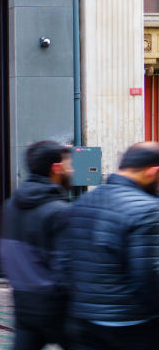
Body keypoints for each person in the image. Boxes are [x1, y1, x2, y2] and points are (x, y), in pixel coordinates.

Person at [63, 142, 159, 349]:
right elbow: (147, 277)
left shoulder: (82, 202)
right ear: (153, 171)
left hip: (83, 321)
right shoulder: (148, 209)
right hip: (130, 323)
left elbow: (63, 262)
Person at [0, 140, 72, 350]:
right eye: (68, 164)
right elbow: (66, 267)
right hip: (58, 308)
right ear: (55, 168)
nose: (71, 169)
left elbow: (5, 253)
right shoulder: (59, 211)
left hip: (23, 304)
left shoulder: (9, 206)